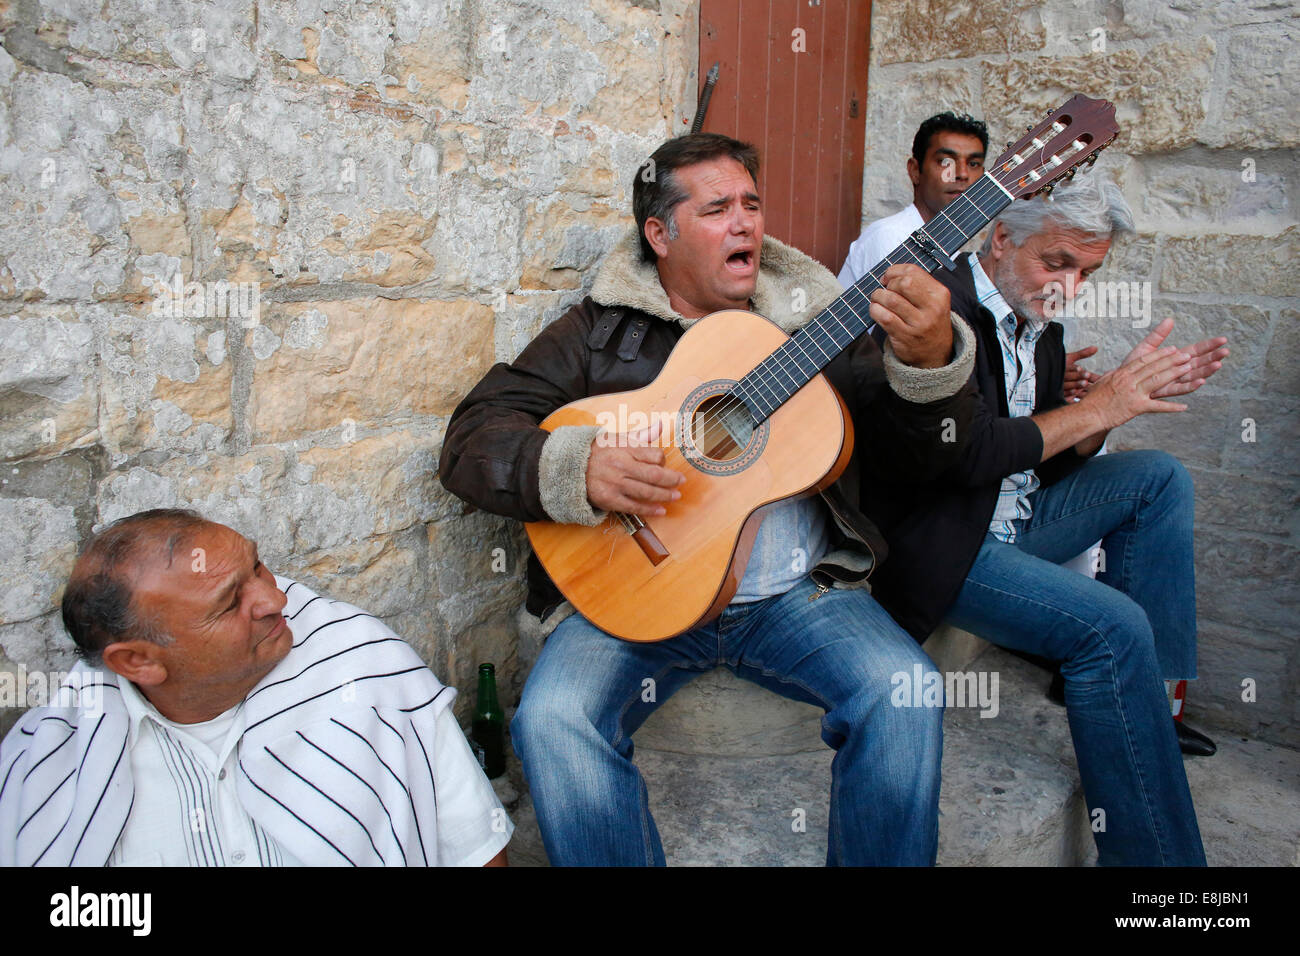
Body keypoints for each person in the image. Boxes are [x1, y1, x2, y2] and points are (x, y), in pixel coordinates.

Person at [438, 132, 979, 866]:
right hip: (642, 593)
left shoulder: (821, 322)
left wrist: (932, 366)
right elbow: (472, 438)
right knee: (553, 717)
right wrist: (576, 467)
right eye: (718, 207)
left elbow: (931, 455)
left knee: (906, 692)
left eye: (752, 204)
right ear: (659, 234)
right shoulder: (599, 331)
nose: (747, 223)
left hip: (801, 594)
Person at [860, 171, 1229, 866]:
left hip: (1008, 517)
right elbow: (961, 458)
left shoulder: (1040, 324)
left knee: (1158, 477)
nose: (1069, 285)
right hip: (939, 546)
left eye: (1087, 271)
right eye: (1056, 262)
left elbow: (1040, 464)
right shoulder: (940, 311)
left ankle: (1153, 705)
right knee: (1114, 628)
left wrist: (1093, 421)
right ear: (1002, 237)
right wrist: (1093, 410)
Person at [0, 509, 512, 867]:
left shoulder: (362, 664)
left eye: (257, 566)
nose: (273, 599)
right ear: (137, 661)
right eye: (229, 604)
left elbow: (474, 848)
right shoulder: (51, 773)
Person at [837, 111, 987, 289]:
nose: (962, 174)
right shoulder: (890, 238)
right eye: (946, 162)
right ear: (915, 170)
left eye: (973, 164)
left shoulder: (956, 251)